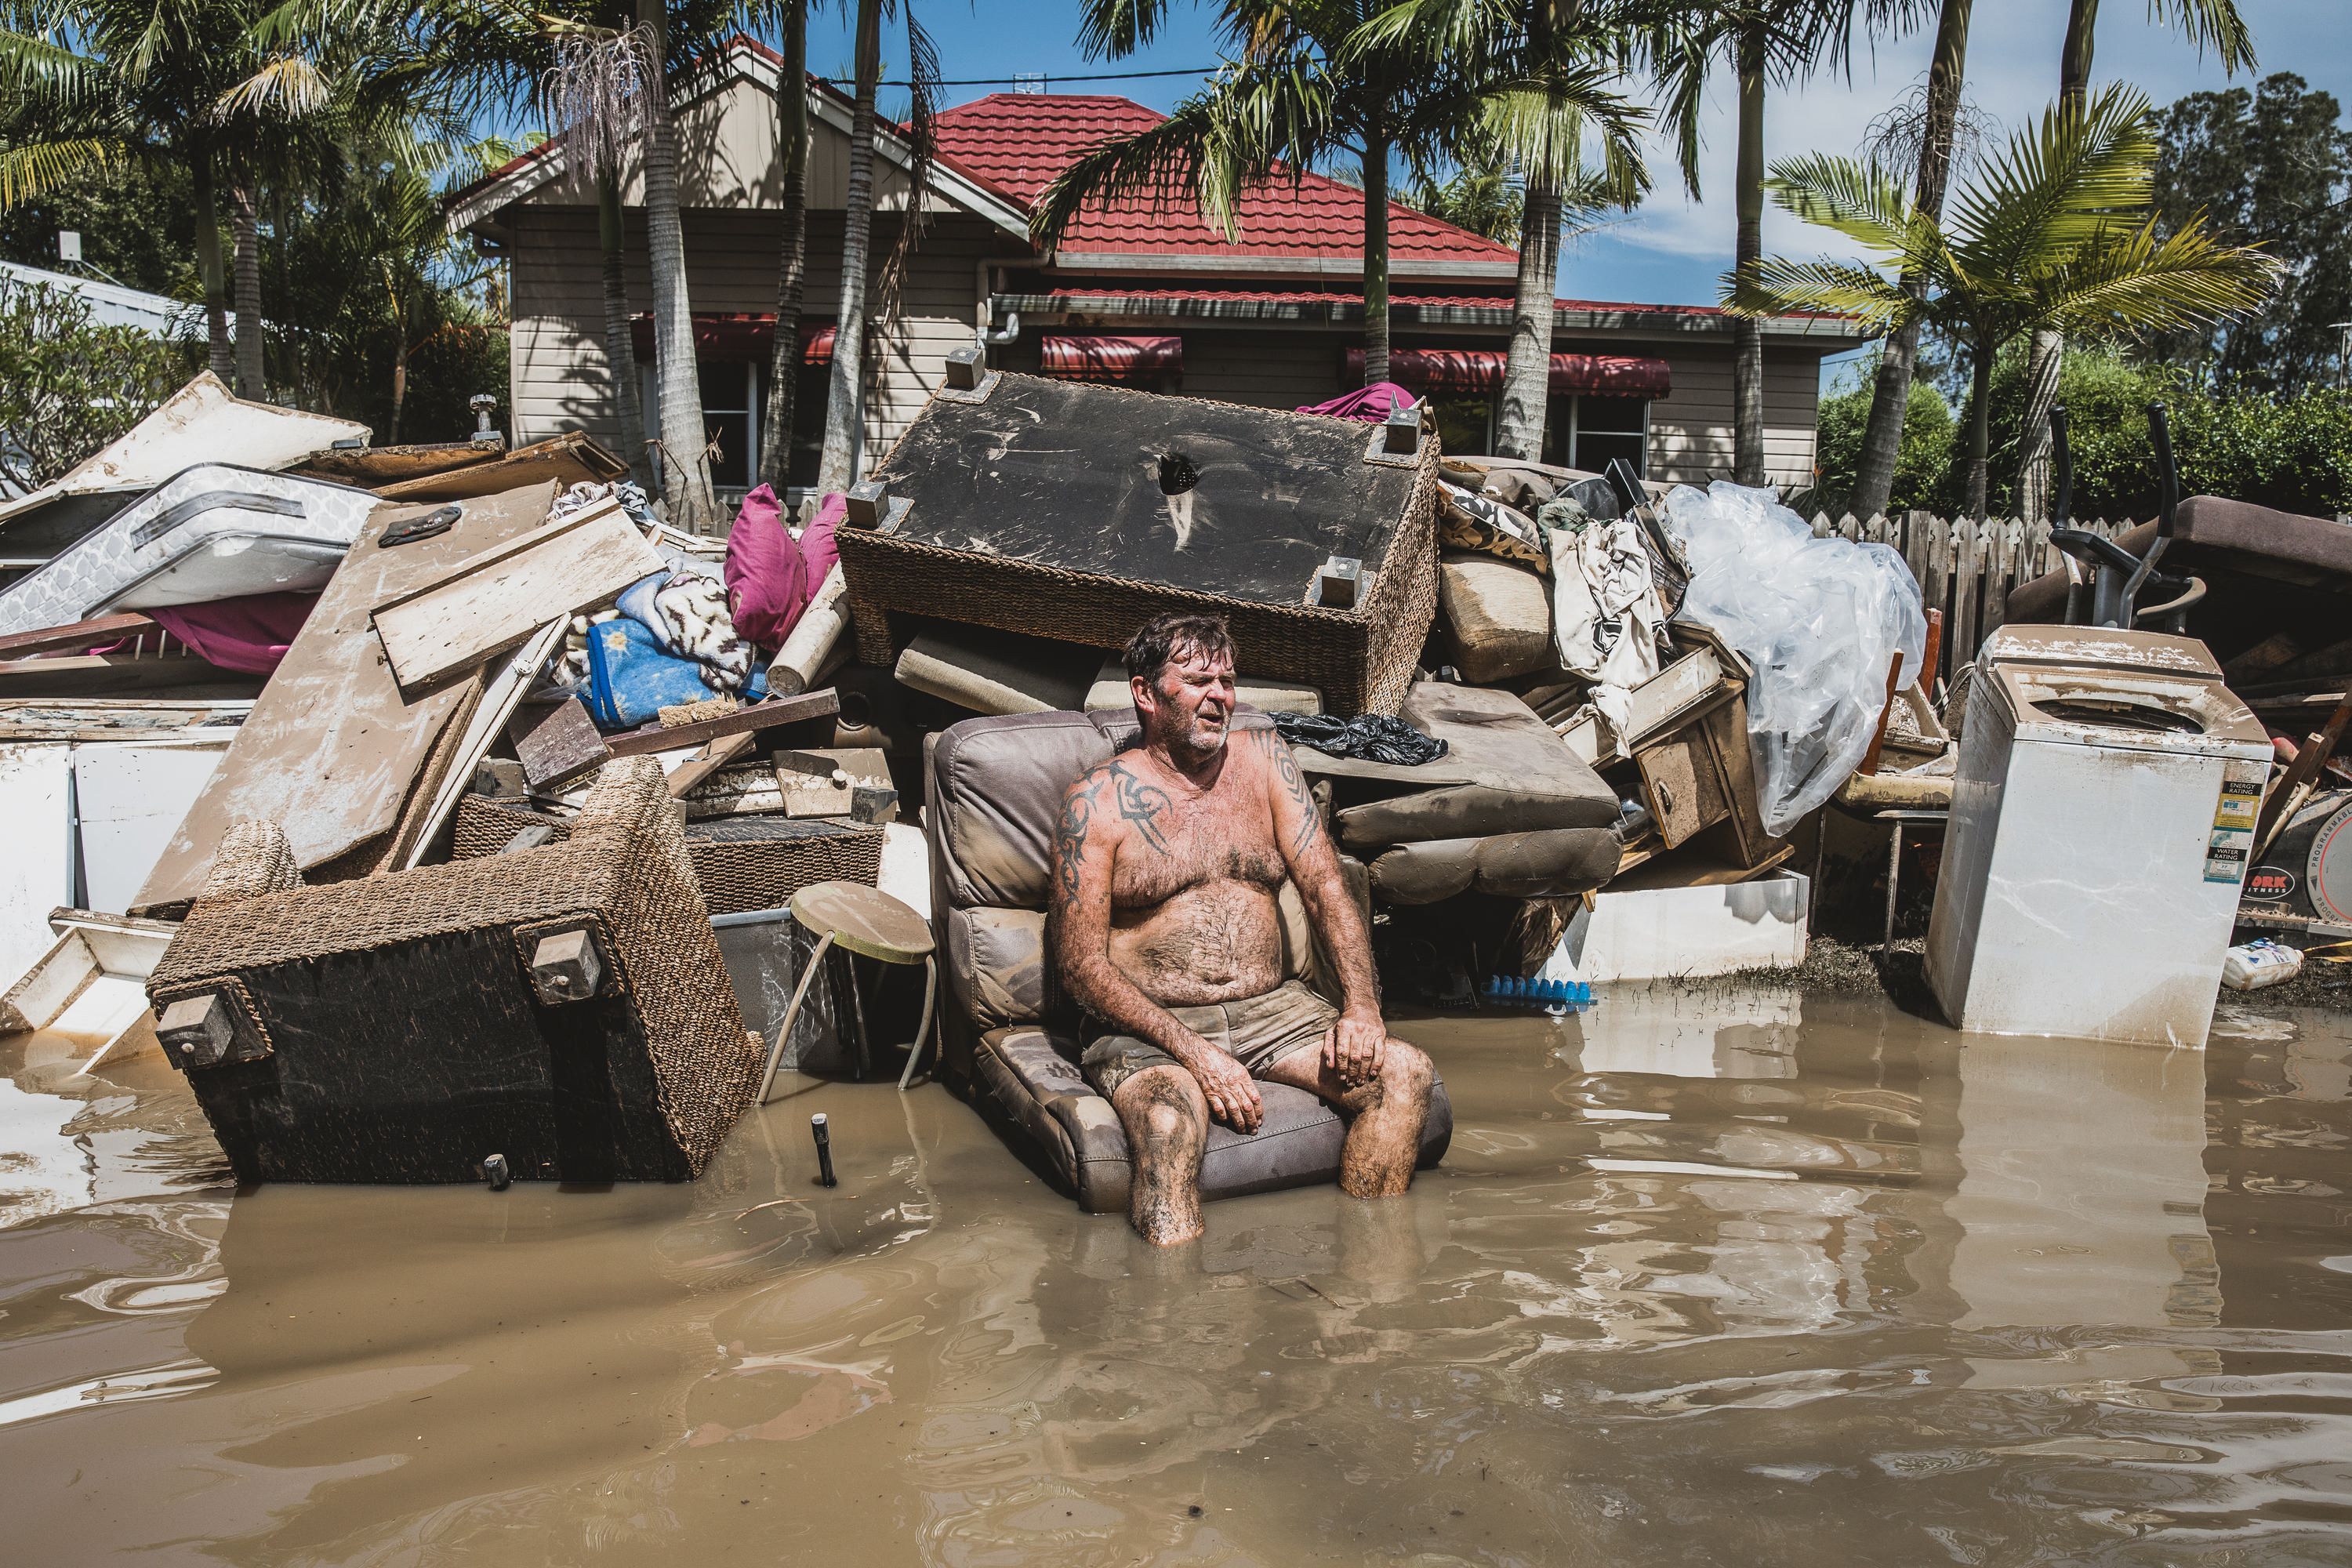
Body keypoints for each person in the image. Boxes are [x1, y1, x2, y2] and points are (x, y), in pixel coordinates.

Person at [1047, 611, 1434, 1245]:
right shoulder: (1096, 803)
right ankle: (1178, 1320)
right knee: (1169, 1127)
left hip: (1277, 1013)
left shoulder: (1266, 764)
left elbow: (1326, 885)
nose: (1219, 696)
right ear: (1146, 693)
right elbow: (1081, 967)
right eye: (1199, 680)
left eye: (1227, 680)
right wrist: (1196, 1055)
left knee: (1405, 1073)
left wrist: (1362, 1008)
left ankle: (1366, 1295)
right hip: (1153, 1026)